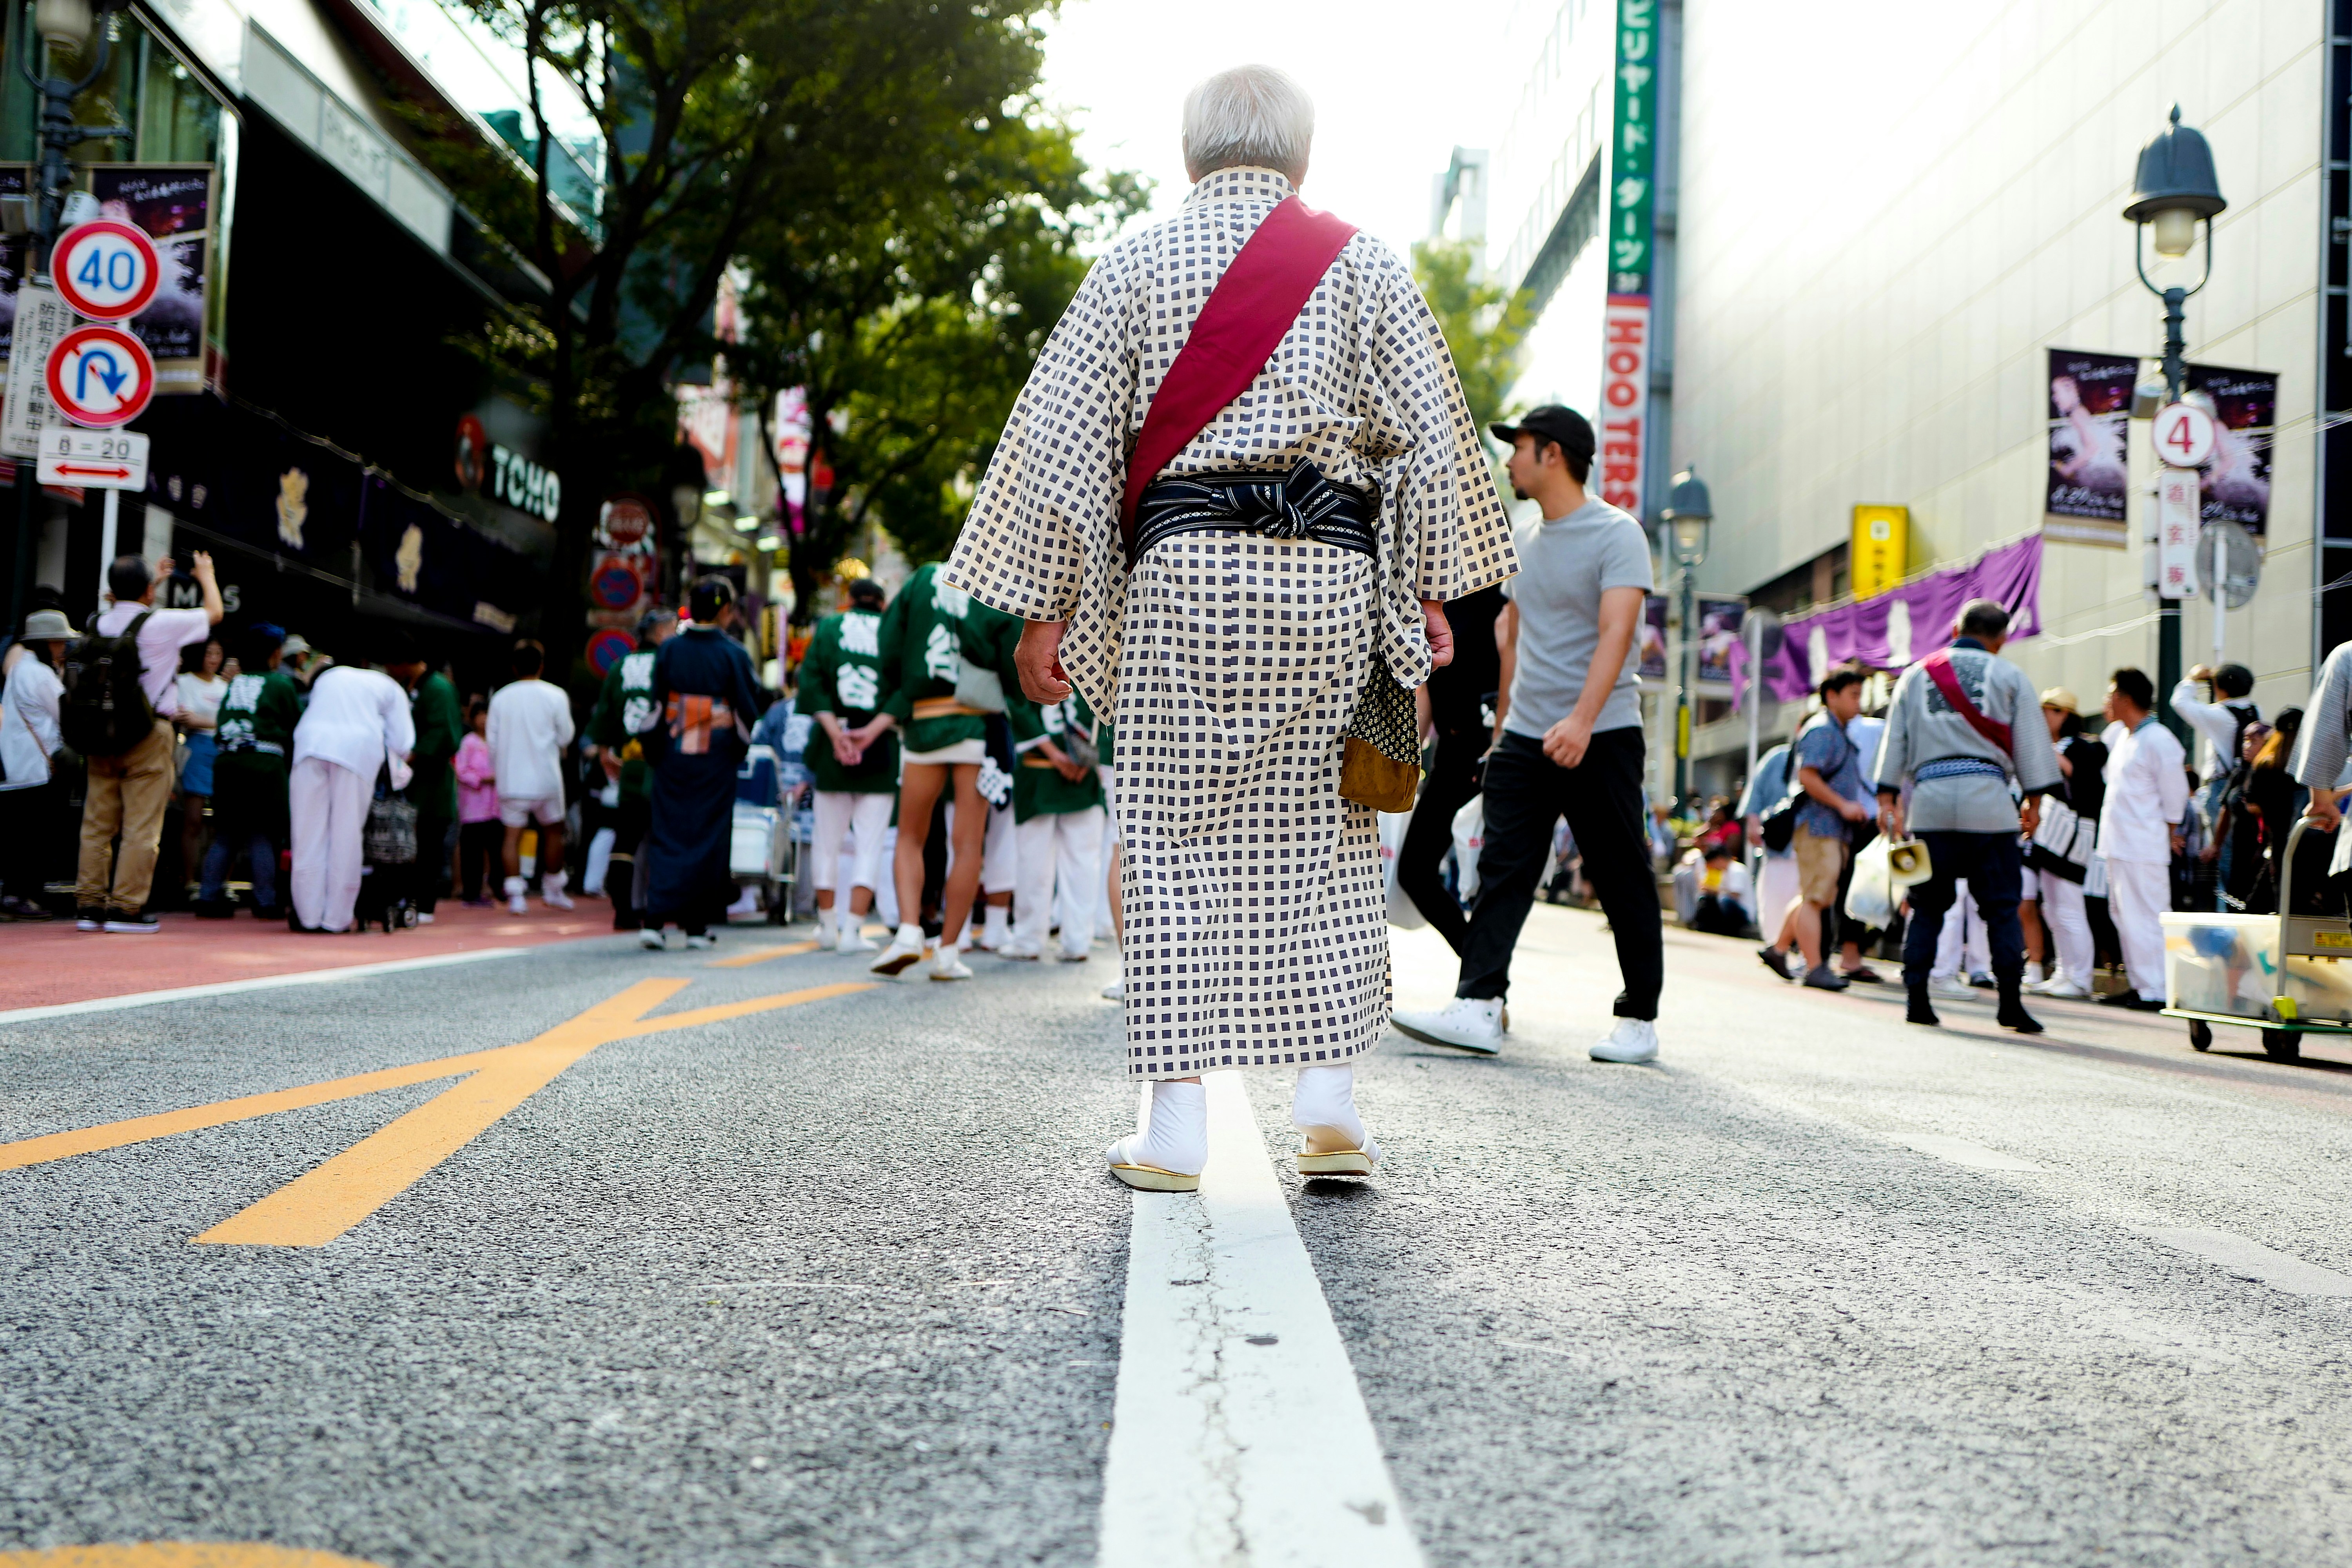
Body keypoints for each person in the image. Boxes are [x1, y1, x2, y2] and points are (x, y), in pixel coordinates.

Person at [945, 64, 1514, 1188]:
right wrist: (1433, 593)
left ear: (1191, 151)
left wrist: (1046, 614)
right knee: (1334, 841)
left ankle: (1175, 1130)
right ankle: (1331, 1111)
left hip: (1186, 580)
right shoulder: (1364, 264)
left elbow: (1064, 452)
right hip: (1334, 587)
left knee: (1167, 839)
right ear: (1301, 156)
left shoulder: (1134, 263)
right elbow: (1436, 443)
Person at [1390, 403, 1649, 1063]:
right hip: (1526, 738)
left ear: (1553, 454)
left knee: (1620, 873)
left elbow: (1618, 632)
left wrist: (1584, 720)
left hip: (1603, 732)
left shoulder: (1617, 533)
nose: (1509, 461)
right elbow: (1515, 641)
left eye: (1520, 447)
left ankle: (1638, 1017)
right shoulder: (1522, 541)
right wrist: (1507, 730)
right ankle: (1478, 1004)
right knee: (1505, 871)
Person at [1871, 600, 2061, 1031]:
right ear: (2002, 639)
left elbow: (1895, 740)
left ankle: (1917, 998)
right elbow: (2032, 743)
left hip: (1931, 805)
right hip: (1990, 806)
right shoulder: (2011, 676)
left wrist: (1888, 798)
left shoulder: (1916, 674)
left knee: (1926, 907)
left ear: (1956, 627)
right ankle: (2010, 1003)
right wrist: (2033, 800)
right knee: (2001, 908)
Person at [73, 553, 224, 933]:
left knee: (96, 822)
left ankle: (89, 904)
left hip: (99, 731)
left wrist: (149, 582)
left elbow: (127, 602)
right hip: (147, 731)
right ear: (147, 591)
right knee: (142, 824)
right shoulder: (162, 623)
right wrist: (206, 574)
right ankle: (127, 908)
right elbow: (214, 612)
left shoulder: (97, 621)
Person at [866, 562, 994, 981]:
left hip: (923, 718)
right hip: (975, 718)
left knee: (910, 835)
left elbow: (889, 643)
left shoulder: (922, 579)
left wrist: (897, 700)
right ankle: (949, 951)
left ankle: (907, 931)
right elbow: (1007, 643)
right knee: (968, 843)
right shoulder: (992, 578)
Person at [640, 576, 764, 949]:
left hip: (675, 749)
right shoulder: (734, 653)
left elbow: (657, 699)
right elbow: (748, 705)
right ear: (726, 609)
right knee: (709, 834)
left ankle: (655, 920)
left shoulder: (671, 649)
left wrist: (660, 746)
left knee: (667, 830)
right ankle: (695, 926)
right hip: (716, 752)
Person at [1397, 581, 1506, 952]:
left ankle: (1482, 988)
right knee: (1414, 871)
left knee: (1496, 880)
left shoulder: (1504, 597)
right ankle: (1478, 972)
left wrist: (1502, 742)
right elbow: (1426, 685)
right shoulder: (1430, 597)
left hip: (1496, 753)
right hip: (1452, 757)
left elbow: (1518, 669)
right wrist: (1402, 757)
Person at [798, 579, 898, 953]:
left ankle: (827, 926)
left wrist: (837, 734)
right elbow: (904, 689)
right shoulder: (893, 630)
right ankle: (854, 930)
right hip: (880, 744)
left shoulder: (829, 628)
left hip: (833, 744)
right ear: (883, 603)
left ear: (849, 601)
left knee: (828, 841)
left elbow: (811, 682)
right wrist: (870, 733)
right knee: (871, 844)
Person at [288, 648, 416, 933]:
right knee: (346, 833)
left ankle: (308, 915)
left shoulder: (329, 676)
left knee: (307, 834)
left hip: (310, 744)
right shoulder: (392, 688)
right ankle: (336, 919)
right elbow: (404, 742)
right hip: (357, 751)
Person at [1776, 667, 1875, 993]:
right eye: (1854, 695)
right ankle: (1815, 967)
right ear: (1831, 696)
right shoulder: (1823, 729)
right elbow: (1808, 775)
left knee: (1815, 896)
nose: (1859, 703)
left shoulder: (1834, 729)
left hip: (1829, 827)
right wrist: (1843, 805)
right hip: (1821, 826)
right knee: (1817, 898)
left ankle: (1779, 951)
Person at [2094, 667, 2187, 1010]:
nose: (2106, 701)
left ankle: (2158, 989)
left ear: (2124, 698)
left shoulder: (2159, 738)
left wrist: (2169, 833)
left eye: (2110, 694)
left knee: (2148, 916)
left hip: (2144, 845)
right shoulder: (2122, 736)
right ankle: (2141, 983)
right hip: (2119, 844)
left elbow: (2175, 796)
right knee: (2123, 915)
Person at [196, 626, 300, 919]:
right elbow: (297, 727)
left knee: (225, 835)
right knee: (261, 835)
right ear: (276, 653)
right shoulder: (280, 684)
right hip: (264, 765)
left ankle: (208, 896)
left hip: (227, 763)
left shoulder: (235, 684)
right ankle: (265, 901)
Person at [587, 608, 677, 931]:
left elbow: (605, 715)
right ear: (663, 633)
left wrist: (603, 752)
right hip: (665, 765)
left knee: (625, 840)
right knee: (666, 839)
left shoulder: (621, 666)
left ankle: (623, 911)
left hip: (630, 763)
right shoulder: (672, 662)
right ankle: (664, 910)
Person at [1004, 689, 1107, 962]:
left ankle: (1029, 940)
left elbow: (1015, 697)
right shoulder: (1094, 646)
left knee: (1035, 860)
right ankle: (1076, 941)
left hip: (1040, 768)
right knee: (1081, 861)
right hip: (1081, 765)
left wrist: (1054, 753)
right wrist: (1089, 755)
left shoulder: (1028, 644)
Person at [2025, 688, 2108, 998]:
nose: (2045, 715)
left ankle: (2081, 978)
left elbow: (2083, 784)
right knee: (2053, 909)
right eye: (2045, 709)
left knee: (2070, 907)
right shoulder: (2056, 745)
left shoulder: (2082, 747)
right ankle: (2065, 971)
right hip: (2050, 836)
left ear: (2067, 715)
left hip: (2073, 837)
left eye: (2052, 710)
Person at [486, 640, 576, 915]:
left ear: (514, 667)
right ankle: (554, 889)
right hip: (547, 776)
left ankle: (516, 895)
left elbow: (492, 742)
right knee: (553, 833)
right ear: (541, 665)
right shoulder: (556, 695)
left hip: (512, 777)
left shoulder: (501, 697)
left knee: (511, 837)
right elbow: (566, 736)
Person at [0, 609, 74, 918]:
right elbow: (66, 715)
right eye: (59, 643)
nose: (62, 648)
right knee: (35, 837)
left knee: (20, 835)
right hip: (39, 768)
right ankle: (22, 897)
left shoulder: (21, 669)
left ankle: (17, 896)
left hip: (18, 765)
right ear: (47, 643)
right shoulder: (41, 674)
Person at [2172, 661, 2260, 909]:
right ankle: (2236, 910)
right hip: (2244, 787)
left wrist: (2191, 678)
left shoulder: (2220, 715)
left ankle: (2225, 918)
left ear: (2219, 687)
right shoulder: (2255, 710)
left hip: (2221, 788)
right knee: (2237, 855)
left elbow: (2180, 703)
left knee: (2221, 856)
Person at [392, 641, 463, 924]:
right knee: (406, 845)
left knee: (429, 847)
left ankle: (424, 906)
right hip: (411, 779)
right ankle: (406, 900)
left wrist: (410, 757)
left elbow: (445, 735)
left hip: (431, 780)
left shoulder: (437, 687)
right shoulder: (410, 684)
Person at [1740, 739, 1801, 978]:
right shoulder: (1778, 758)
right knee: (1775, 901)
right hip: (1779, 846)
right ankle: (1777, 949)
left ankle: (1791, 952)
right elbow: (1755, 793)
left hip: (1810, 844)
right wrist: (1753, 822)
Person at [174, 636, 229, 898]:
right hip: (196, 750)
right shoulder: (184, 682)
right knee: (193, 819)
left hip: (222, 751)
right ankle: (189, 880)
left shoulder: (225, 685)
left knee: (224, 822)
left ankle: (219, 882)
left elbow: (199, 719)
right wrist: (214, 722)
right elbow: (186, 719)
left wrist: (202, 720)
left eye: (218, 654)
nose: (214, 659)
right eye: (210, 654)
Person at [2241, 708, 2304, 914]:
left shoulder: (2266, 763)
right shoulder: (2309, 762)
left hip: (2277, 837)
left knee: (2282, 895)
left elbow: (2252, 803)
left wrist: (2270, 813)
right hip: (2310, 837)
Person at [454, 698, 501, 905]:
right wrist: (482, 779)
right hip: (474, 806)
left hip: (496, 806)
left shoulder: (498, 741)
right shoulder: (469, 743)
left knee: (497, 849)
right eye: (480, 715)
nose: (484, 720)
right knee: (472, 852)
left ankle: (498, 887)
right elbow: (461, 771)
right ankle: (471, 892)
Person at [1688, 841, 1753, 935]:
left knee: (1724, 900)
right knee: (1706, 898)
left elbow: (1735, 895)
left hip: (1743, 912)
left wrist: (1712, 889)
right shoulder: (1724, 872)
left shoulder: (1737, 870)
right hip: (1729, 905)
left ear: (1719, 859)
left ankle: (1731, 930)